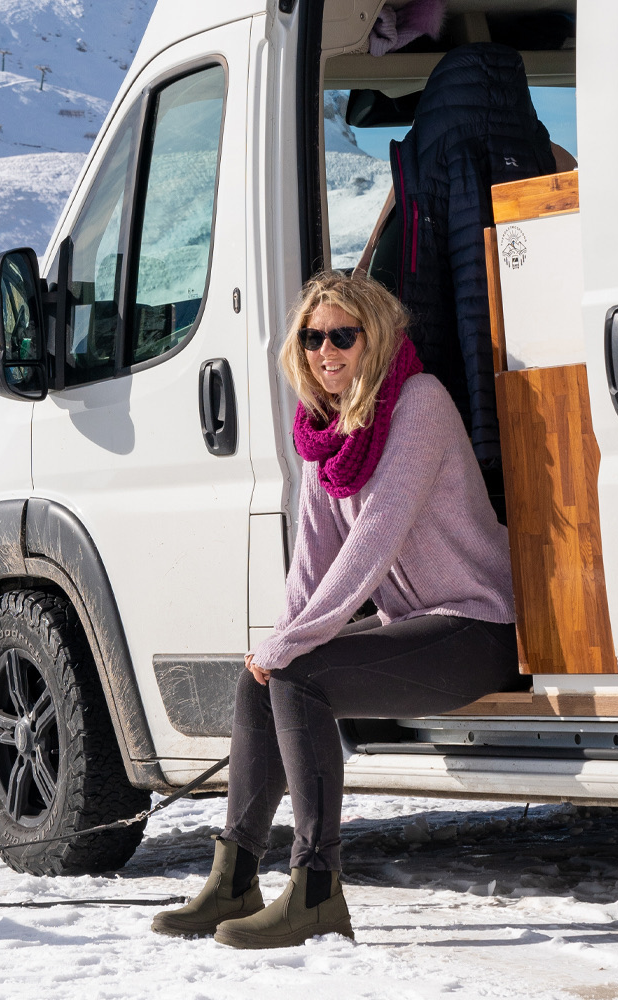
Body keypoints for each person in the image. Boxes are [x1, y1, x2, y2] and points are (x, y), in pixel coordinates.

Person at [152, 270, 518, 949]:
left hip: (477, 625)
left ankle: (316, 889)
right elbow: (313, 558)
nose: (326, 351)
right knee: (263, 676)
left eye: (343, 336)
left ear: (373, 337)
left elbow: (374, 538)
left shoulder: (419, 402)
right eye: (313, 337)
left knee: (298, 674)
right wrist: (279, 642)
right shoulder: (330, 429)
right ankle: (234, 878)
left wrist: (295, 648)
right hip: (415, 624)